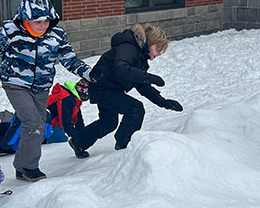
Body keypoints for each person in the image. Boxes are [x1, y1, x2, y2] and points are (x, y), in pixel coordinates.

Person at [0, 0, 93, 182]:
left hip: (41, 85)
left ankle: (22, 166)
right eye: (37, 21)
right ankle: (29, 167)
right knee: (32, 122)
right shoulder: (10, 31)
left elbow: (69, 58)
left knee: (40, 123)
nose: (42, 25)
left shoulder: (56, 35)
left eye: (46, 21)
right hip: (15, 82)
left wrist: (88, 73)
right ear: (25, 18)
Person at [67, 23, 182, 158]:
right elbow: (121, 69)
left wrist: (163, 102)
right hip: (103, 87)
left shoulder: (139, 56)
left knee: (108, 123)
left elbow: (142, 85)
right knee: (135, 108)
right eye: (158, 49)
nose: (159, 54)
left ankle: (78, 142)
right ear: (150, 43)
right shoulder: (128, 48)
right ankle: (124, 144)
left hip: (108, 88)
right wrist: (150, 77)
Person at [46, 79, 89, 143]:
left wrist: (83, 133)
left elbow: (77, 119)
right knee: (58, 138)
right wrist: (76, 137)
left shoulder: (75, 98)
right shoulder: (67, 99)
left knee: (60, 138)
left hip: (55, 120)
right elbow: (65, 120)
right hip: (43, 118)